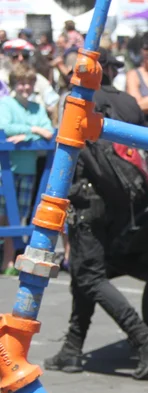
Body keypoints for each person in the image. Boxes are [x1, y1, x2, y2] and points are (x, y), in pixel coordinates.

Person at [44, 47, 148, 379]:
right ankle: (72, 348)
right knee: (88, 272)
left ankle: (143, 338)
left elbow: (70, 153)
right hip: (121, 204)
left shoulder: (77, 102)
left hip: (87, 201)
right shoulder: (128, 102)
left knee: (89, 275)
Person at [0, 64, 54, 274]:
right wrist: (33, 130)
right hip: (6, 168)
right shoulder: (6, 104)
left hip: (28, 167)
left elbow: (48, 131)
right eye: (21, 83)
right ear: (14, 85)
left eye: (29, 83)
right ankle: (5, 259)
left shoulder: (37, 108)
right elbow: (5, 127)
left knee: (19, 215)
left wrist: (27, 136)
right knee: (3, 214)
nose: (25, 87)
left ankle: (10, 261)